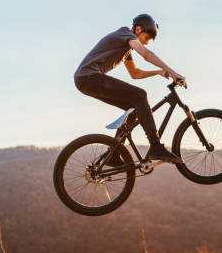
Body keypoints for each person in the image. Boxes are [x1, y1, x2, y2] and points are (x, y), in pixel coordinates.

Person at [74, 14, 185, 164]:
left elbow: (135, 73)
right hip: (89, 77)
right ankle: (156, 147)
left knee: (133, 108)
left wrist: (158, 72)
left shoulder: (125, 48)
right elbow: (146, 54)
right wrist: (173, 73)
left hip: (85, 80)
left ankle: (113, 154)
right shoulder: (125, 34)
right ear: (138, 29)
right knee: (140, 95)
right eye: (146, 38)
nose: (145, 44)